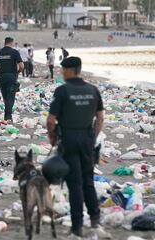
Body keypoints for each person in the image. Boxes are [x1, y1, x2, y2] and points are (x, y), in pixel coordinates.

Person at [46, 57, 111, 240]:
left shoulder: (63, 91)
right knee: (88, 181)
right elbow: (100, 118)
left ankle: (76, 229)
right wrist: (93, 137)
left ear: (69, 70)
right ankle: (95, 224)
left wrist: (53, 138)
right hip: (87, 140)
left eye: (62, 69)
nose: (61, 72)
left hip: (68, 139)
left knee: (74, 185)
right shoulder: (93, 90)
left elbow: (51, 120)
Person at [0, 37, 24, 123]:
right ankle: (7, 116)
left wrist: (1, 70)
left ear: (4, 43)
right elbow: (21, 66)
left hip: (1, 77)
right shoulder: (14, 52)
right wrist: (18, 72)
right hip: (11, 76)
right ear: (12, 43)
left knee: (5, 96)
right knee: (11, 97)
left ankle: (8, 115)